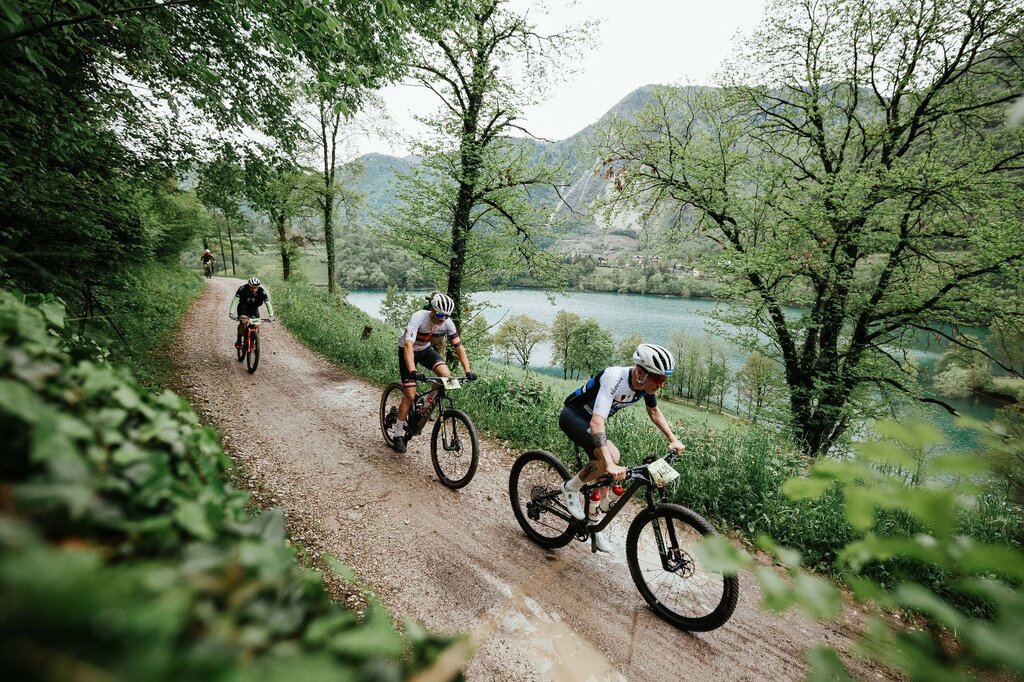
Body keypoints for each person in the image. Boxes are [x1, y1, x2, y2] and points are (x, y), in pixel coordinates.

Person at [559, 343, 684, 552]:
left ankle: (594, 525)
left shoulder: (645, 386)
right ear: (639, 372)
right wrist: (609, 463)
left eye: (664, 379)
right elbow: (597, 423)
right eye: (658, 379)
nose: (661, 384)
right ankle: (570, 487)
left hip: (592, 423)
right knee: (611, 457)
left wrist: (672, 438)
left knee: (604, 478)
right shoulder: (614, 377)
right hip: (574, 416)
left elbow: (653, 411)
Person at [389, 292, 475, 453]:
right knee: (410, 394)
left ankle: (425, 405)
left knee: (445, 375)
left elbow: (459, 347)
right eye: (440, 315)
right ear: (433, 310)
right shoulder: (419, 317)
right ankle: (398, 434)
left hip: (425, 349)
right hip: (407, 351)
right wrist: (413, 371)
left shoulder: (447, 323)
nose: (443, 319)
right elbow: (408, 346)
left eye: (447, 316)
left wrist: (468, 371)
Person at [228, 277, 274, 348]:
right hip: (243, 307)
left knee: (257, 324)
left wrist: (271, 315)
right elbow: (235, 300)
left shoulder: (261, 291)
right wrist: (231, 313)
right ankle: (239, 340)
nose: (254, 289)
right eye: (252, 287)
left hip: (254, 308)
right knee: (243, 322)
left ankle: (254, 341)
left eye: (256, 288)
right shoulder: (242, 289)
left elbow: (268, 303)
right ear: (248, 286)